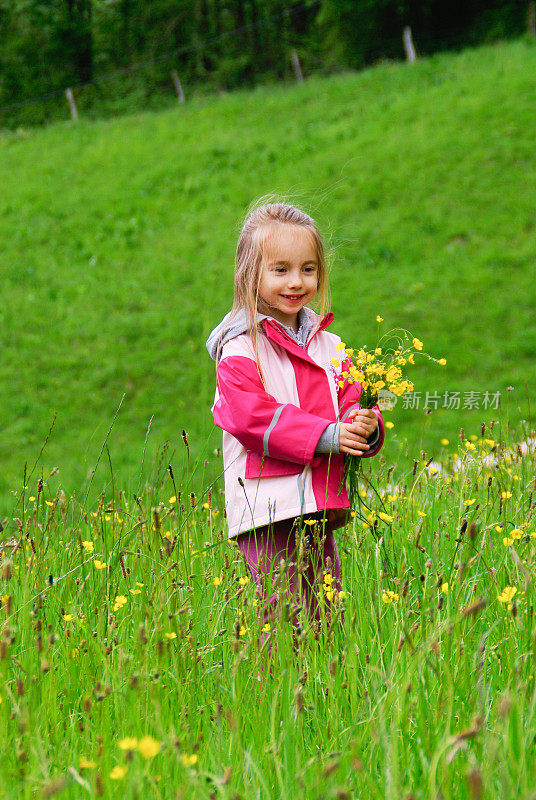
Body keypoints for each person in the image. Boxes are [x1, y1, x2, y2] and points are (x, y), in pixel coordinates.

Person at [206, 201, 384, 648]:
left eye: (307, 269)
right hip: (267, 504)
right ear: (251, 273)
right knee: (282, 621)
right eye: (280, 269)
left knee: (326, 616)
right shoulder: (240, 348)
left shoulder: (331, 345)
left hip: (318, 502)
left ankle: (325, 703)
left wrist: (365, 426)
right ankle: (276, 706)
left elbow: (351, 403)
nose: (296, 282)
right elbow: (249, 418)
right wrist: (326, 436)